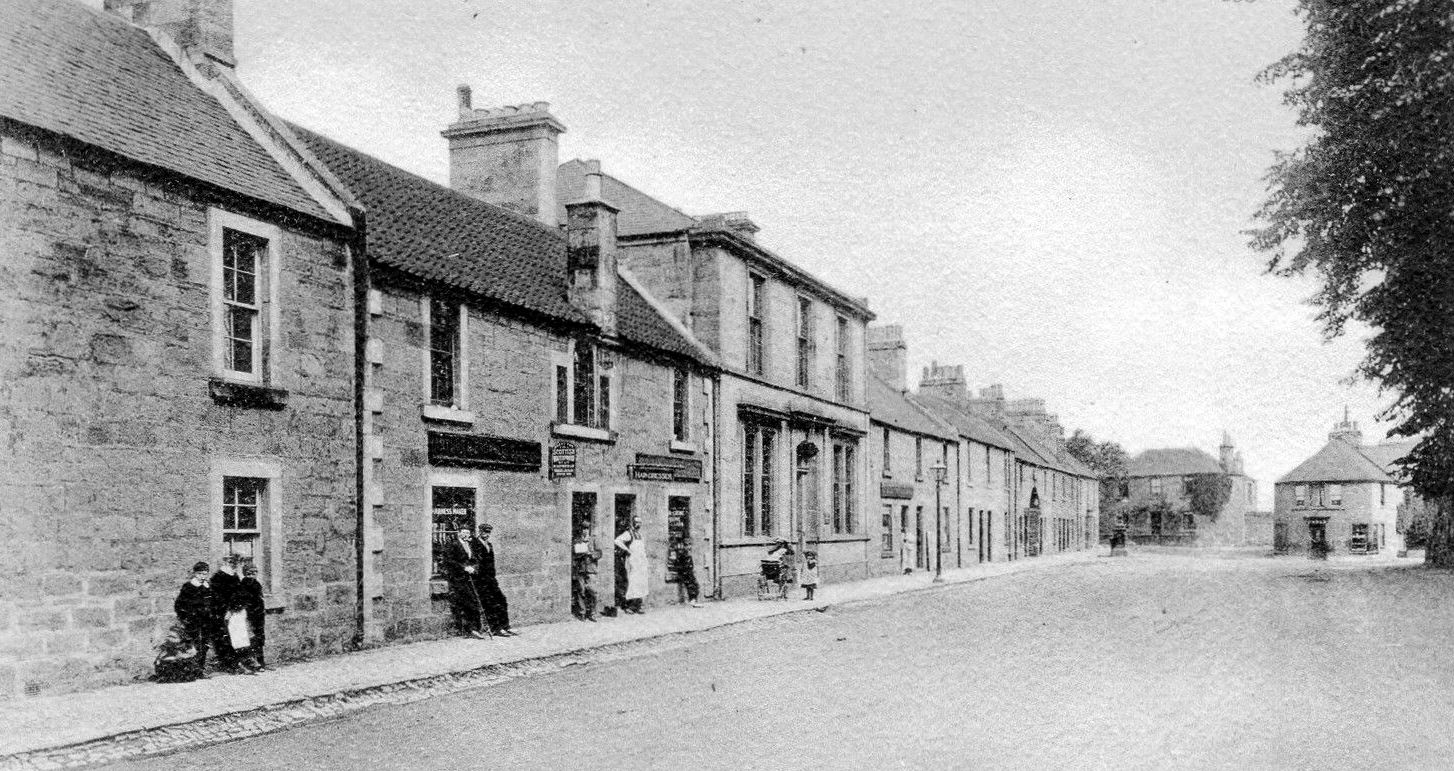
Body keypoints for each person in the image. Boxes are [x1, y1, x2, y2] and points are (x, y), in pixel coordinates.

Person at [444, 522, 489, 639]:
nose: (465, 534)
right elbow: (449, 560)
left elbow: (475, 559)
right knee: (468, 602)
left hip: (470, 578)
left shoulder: (470, 545)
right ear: (459, 533)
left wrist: (473, 568)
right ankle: (470, 629)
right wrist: (464, 567)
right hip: (458, 579)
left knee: (474, 601)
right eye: (463, 532)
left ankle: (474, 629)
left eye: (467, 533)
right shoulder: (453, 544)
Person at [210, 554, 254, 673]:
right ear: (225, 563)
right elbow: (218, 598)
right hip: (225, 613)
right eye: (231, 563)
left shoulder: (234, 576)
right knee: (228, 638)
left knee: (241, 636)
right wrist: (227, 610)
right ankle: (233, 664)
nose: (233, 566)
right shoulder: (218, 578)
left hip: (236, 611)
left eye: (235, 564)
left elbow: (239, 593)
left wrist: (237, 606)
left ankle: (245, 660)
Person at [472, 523, 516, 636]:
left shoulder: (489, 545)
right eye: (484, 532)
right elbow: (474, 562)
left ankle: (505, 626)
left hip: (491, 579)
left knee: (502, 599)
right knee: (490, 603)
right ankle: (496, 628)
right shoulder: (474, 544)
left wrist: (493, 577)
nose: (486, 535)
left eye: (488, 533)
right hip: (480, 580)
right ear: (480, 532)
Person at [172, 562, 213, 674]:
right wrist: (185, 618)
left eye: (205, 574)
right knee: (194, 644)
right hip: (193, 621)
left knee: (205, 644)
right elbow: (179, 605)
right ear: (195, 573)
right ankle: (193, 669)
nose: (202, 576)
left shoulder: (208, 586)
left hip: (206, 620)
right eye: (200, 574)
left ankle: (200, 667)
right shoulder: (188, 587)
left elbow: (212, 602)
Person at [614, 516, 649, 614]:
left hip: (641, 562)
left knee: (641, 583)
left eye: (640, 522)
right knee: (633, 582)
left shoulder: (640, 535)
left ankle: (638, 606)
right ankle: (630, 606)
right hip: (633, 562)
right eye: (636, 522)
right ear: (632, 523)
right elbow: (617, 540)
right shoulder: (628, 533)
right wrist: (627, 550)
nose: (639, 524)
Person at [240, 562, 268, 670]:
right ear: (245, 574)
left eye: (254, 572)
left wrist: (262, 609)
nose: (252, 575)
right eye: (249, 573)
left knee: (259, 638)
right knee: (251, 638)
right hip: (250, 615)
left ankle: (261, 662)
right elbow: (244, 601)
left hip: (259, 615)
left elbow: (260, 598)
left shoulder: (257, 583)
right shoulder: (244, 584)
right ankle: (252, 663)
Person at [571, 522, 600, 621]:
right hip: (581, 569)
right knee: (581, 591)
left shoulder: (593, 540)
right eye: (583, 528)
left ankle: (593, 613)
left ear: (589, 530)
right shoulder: (577, 540)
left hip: (591, 570)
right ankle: (582, 612)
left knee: (593, 592)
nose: (585, 530)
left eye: (587, 528)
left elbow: (600, 553)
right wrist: (580, 553)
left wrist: (592, 554)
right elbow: (574, 554)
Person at [670, 543, 703, 608]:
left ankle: (693, 599)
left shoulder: (684, 552)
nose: (689, 547)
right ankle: (692, 600)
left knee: (693, 583)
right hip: (685, 569)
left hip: (685, 568)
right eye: (687, 545)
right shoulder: (682, 552)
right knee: (692, 583)